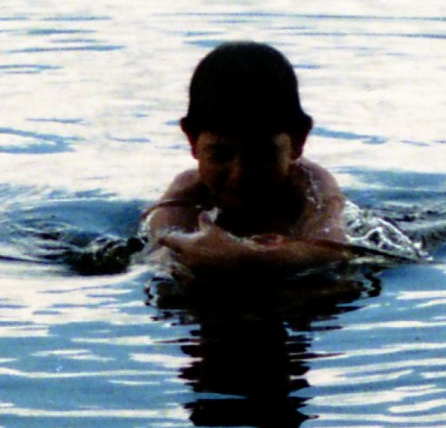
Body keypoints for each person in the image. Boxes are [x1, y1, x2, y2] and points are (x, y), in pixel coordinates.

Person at [142, 42, 355, 279]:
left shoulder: (311, 185)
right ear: (192, 139)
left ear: (298, 141)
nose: (240, 174)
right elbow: (161, 253)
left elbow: (335, 250)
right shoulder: (185, 195)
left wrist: (247, 258)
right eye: (221, 155)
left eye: (261, 155)